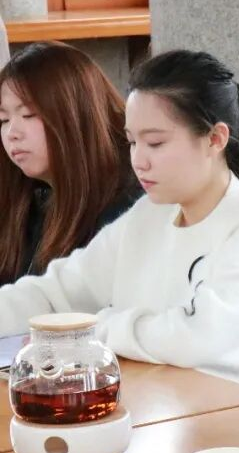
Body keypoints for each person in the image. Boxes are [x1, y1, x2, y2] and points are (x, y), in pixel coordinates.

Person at [0, 50, 239, 396]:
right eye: (132, 142)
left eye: (155, 143)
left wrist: (94, 329)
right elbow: (59, 292)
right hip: (165, 407)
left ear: (215, 139)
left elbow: (199, 339)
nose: (138, 160)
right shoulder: (150, 214)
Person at [0, 41, 140, 285]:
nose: (12, 133)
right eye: (3, 119)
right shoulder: (25, 196)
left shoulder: (126, 206)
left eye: (29, 115)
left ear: (77, 113)